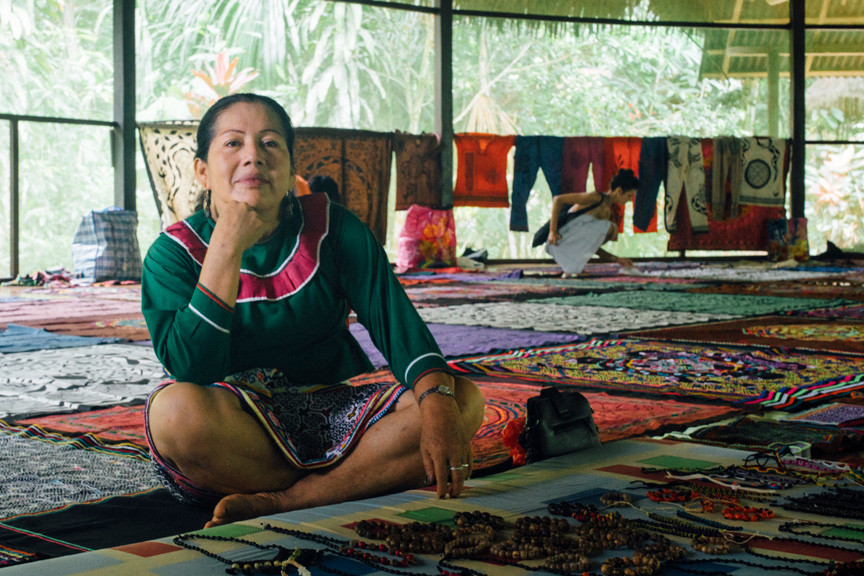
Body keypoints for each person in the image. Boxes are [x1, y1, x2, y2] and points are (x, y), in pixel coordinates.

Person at [141, 93, 485, 528]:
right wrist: (226, 246)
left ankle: (285, 502)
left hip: (335, 411)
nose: (253, 157)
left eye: (270, 143)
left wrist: (435, 404)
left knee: (461, 401)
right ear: (203, 171)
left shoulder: (334, 228)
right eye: (233, 144)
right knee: (174, 414)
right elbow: (193, 366)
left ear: (289, 167)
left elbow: (397, 325)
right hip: (239, 428)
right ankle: (354, 480)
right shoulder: (172, 253)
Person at [534, 169, 639, 276]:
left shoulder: (606, 211)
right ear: (619, 191)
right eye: (629, 195)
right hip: (558, 241)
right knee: (610, 227)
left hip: (567, 245)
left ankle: (573, 266)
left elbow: (592, 244)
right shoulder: (596, 198)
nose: (630, 200)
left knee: (610, 228)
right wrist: (552, 232)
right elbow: (558, 200)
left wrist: (616, 259)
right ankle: (572, 267)